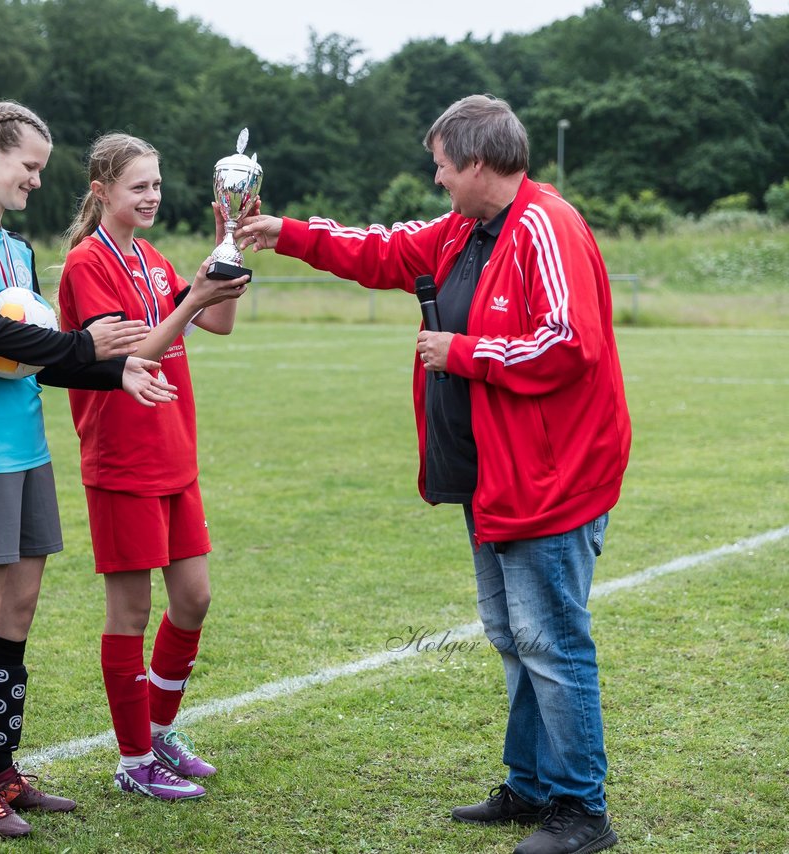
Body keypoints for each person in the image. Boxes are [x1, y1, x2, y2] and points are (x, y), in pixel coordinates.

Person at [238, 94, 630, 854]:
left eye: (444, 166)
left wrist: (465, 352)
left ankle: (583, 812)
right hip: (492, 474)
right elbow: (382, 250)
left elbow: (569, 344)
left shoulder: (547, 226)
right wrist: (282, 232)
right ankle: (533, 785)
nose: (438, 179)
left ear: (480, 162)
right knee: (514, 638)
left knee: (551, 641)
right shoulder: (467, 228)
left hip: (552, 477)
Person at [0, 101, 177, 838]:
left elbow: (35, 357)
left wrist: (115, 370)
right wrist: (85, 346)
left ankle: (3, 770)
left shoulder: (18, 249)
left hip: (28, 450)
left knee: (20, 611)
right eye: (30, 165)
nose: (38, 179)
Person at [57, 134, 247, 801]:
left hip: (173, 453)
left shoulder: (150, 257)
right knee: (130, 611)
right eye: (138, 186)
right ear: (101, 191)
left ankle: (159, 731)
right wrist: (190, 299)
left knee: (193, 598)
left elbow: (216, 325)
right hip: (121, 457)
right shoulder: (89, 262)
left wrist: (232, 252)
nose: (152, 197)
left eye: (158, 185)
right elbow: (134, 356)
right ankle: (134, 761)